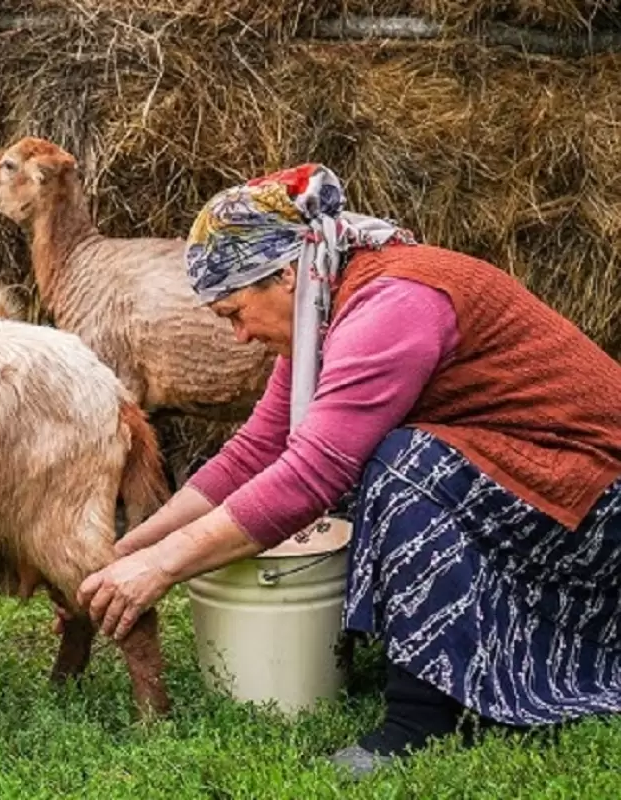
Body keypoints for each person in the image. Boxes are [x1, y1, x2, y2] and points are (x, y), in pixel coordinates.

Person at [73, 163, 621, 778]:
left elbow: (313, 475)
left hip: (597, 501)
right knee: (397, 458)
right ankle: (451, 659)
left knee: (402, 463)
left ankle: (419, 719)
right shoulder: (322, 307)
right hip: (547, 486)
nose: (239, 337)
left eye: (234, 312)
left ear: (284, 275)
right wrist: (127, 549)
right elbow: (258, 449)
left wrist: (163, 567)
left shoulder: (394, 306)